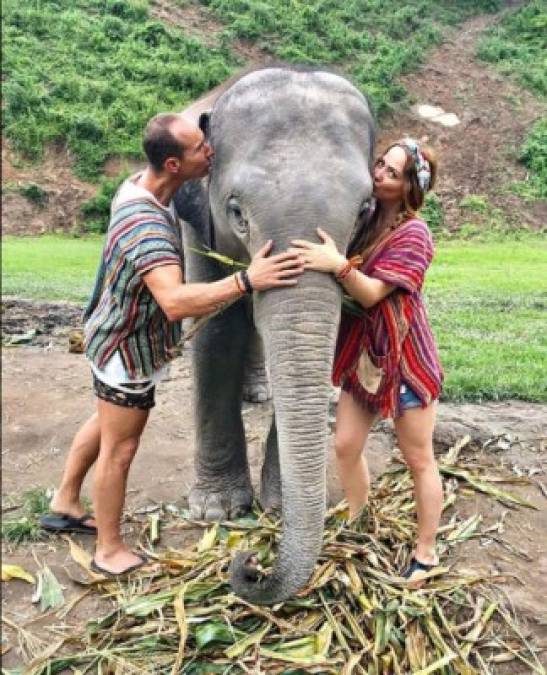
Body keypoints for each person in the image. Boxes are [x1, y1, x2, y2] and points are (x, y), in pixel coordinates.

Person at [40, 113, 304, 576]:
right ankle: (109, 549)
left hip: (114, 336)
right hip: (128, 350)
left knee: (104, 424)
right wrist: (247, 280)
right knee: (120, 448)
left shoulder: (143, 188)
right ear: (173, 165)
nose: (210, 152)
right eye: (200, 148)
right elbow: (177, 302)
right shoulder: (146, 225)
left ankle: (65, 499)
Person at [291, 138, 443, 584]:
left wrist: (336, 265)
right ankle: (360, 521)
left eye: (393, 173)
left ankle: (426, 552)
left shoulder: (415, 234)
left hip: (405, 361)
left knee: (418, 459)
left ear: (411, 188)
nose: (379, 174)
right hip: (364, 360)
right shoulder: (365, 221)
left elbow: (373, 292)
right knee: (345, 445)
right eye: (380, 165)